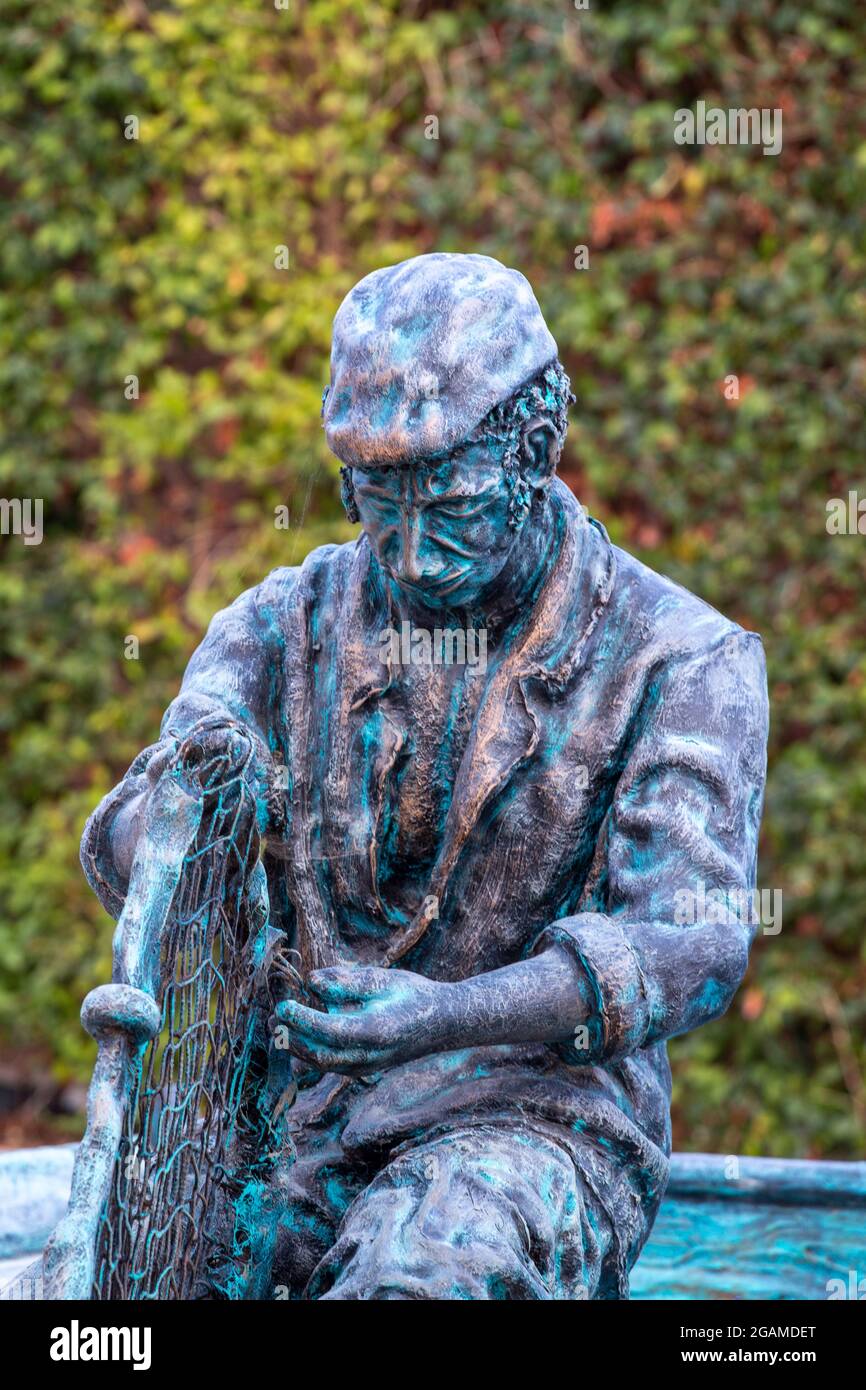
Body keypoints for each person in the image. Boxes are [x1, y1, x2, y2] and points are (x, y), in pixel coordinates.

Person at [82, 252, 769, 1300]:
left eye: (446, 502)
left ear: (536, 450)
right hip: (292, 1118)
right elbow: (138, 835)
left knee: (423, 1275)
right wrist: (186, 824)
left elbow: (691, 943)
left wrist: (445, 1016)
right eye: (374, 501)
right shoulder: (280, 624)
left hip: (534, 1121)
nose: (406, 550)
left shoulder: (680, 660)